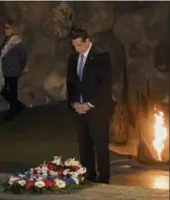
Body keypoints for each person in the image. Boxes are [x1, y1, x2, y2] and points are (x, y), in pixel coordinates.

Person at [66, 28, 115, 184]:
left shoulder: (101, 56)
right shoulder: (73, 58)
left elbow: (105, 84)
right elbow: (71, 83)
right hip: (78, 109)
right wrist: (74, 103)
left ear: (87, 41)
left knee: (100, 145)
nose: (77, 49)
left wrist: (89, 104)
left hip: (96, 109)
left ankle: (103, 178)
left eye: (79, 45)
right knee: (84, 145)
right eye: (74, 46)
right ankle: (89, 175)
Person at [0, 20, 27, 121]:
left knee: (12, 91)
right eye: (4, 28)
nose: (5, 30)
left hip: (13, 70)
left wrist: (20, 68)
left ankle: (13, 110)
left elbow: (23, 56)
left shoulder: (17, 42)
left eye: (7, 28)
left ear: (13, 28)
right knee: (2, 89)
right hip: (4, 70)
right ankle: (17, 105)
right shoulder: (6, 40)